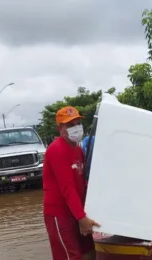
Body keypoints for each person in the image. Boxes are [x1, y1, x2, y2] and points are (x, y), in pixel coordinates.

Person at [43, 106, 100, 260]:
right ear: (60, 128)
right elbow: (67, 187)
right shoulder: (56, 150)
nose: (75, 128)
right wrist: (82, 217)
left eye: (77, 123)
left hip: (77, 210)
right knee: (71, 256)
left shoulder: (78, 150)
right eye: (70, 125)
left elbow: (84, 182)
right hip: (60, 213)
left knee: (90, 252)